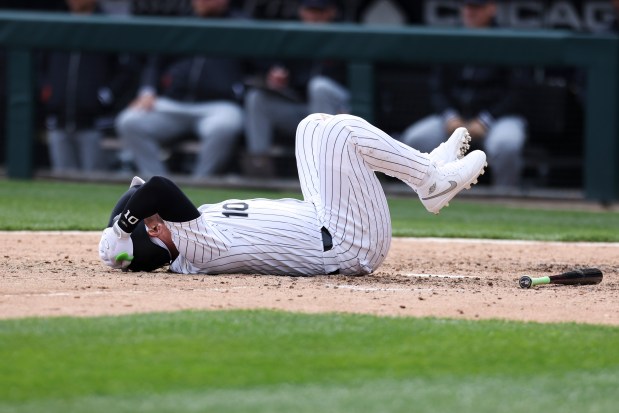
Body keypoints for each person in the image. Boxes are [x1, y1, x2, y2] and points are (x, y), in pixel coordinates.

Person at [99, 113, 487, 276]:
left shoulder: (188, 236)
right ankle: (429, 181)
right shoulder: (196, 248)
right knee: (339, 133)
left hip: (326, 219)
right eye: (150, 223)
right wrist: (122, 231)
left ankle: (425, 167)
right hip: (349, 244)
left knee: (313, 126)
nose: (154, 220)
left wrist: (122, 227)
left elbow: (143, 190)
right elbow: (157, 188)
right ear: (151, 234)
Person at [400, 0, 528, 189]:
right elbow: (437, 88)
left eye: (476, 7)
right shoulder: (451, 38)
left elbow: (517, 92)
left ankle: (507, 199)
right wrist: (450, 117)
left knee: (506, 144)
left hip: (497, 118)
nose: (469, 11)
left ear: (491, 8)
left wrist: (485, 120)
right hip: (456, 118)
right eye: (466, 6)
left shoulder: (508, 40)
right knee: (415, 139)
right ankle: (429, 194)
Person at [114, 0, 246, 178]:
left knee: (225, 125)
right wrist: (148, 91)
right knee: (129, 121)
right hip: (173, 103)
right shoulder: (180, 22)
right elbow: (155, 62)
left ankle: (201, 184)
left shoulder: (242, 26)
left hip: (218, 105)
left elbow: (263, 64)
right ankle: (158, 183)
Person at [242, 0, 349, 177]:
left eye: (319, 11)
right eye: (310, 10)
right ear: (301, 11)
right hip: (303, 110)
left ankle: (323, 168)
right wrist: (276, 75)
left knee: (319, 86)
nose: (314, 17)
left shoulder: (346, 36)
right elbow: (272, 65)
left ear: (331, 12)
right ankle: (259, 165)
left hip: (340, 113)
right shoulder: (293, 35)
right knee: (256, 98)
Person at [39, 0, 137, 173]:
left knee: (94, 180)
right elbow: (40, 67)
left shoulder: (108, 27)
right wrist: (49, 93)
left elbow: (125, 71)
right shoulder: (56, 25)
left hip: (94, 123)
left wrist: (105, 96)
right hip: (58, 118)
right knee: (62, 182)